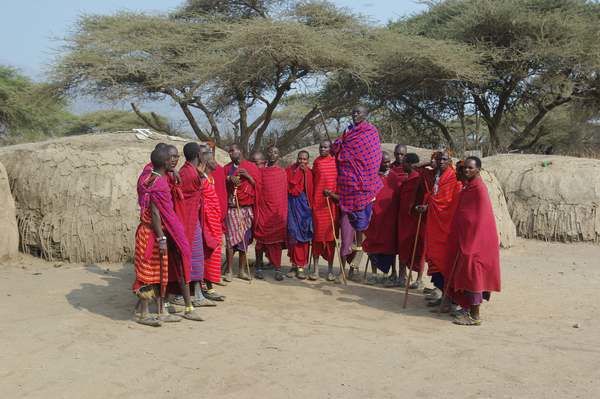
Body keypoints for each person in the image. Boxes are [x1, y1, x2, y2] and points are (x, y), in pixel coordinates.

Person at [133, 147, 203, 326]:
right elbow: (156, 213)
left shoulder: (147, 178)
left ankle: (160, 312)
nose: (175, 161)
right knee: (148, 275)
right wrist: (161, 238)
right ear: (165, 162)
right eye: (171, 159)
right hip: (153, 234)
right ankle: (143, 314)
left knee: (158, 274)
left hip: (147, 232)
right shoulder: (160, 184)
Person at [444, 157, 501, 326]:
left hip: (478, 241)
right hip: (468, 237)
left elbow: (481, 219)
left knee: (473, 272)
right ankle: (468, 307)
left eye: (470, 168)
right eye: (465, 168)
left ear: (478, 170)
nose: (467, 170)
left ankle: (475, 316)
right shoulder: (469, 187)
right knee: (467, 272)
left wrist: (472, 242)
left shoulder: (479, 189)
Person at [330, 105, 382, 279]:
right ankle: (343, 271)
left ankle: (357, 262)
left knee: (362, 229)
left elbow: (373, 159)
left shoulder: (370, 132)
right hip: (347, 189)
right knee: (345, 236)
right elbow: (338, 150)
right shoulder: (347, 131)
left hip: (364, 189)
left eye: (358, 112)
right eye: (353, 111)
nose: (354, 114)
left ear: (366, 115)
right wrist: (337, 145)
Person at [173, 143, 218, 307]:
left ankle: (198, 294)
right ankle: (181, 295)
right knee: (189, 258)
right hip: (187, 222)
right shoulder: (189, 174)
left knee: (196, 258)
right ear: (198, 155)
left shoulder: (190, 171)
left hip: (193, 221)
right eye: (203, 153)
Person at [416, 150, 462, 309]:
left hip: (446, 227)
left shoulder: (454, 177)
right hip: (434, 224)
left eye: (444, 159)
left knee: (445, 260)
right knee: (435, 257)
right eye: (438, 159)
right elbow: (434, 198)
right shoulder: (436, 176)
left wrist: (433, 205)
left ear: (450, 161)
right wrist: (427, 206)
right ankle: (443, 295)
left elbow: (451, 202)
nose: (441, 161)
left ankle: (449, 299)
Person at [223, 144, 261, 281]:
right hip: (232, 209)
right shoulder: (227, 168)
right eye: (229, 151)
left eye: (233, 150)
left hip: (246, 209)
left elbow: (259, 186)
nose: (231, 153)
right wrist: (229, 178)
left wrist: (248, 176)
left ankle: (241, 270)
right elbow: (219, 183)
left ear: (241, 151)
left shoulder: (251, 167)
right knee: (230, 241)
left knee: (244, 240)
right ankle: (228, 271)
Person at [363, 151, 400, 285]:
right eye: (384, 162)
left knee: (390, 245)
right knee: (373, 244)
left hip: (390, 217)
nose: (387, 165)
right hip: (374, 216)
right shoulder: (372, 177)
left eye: (388, 162)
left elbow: (398, 196)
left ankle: (390, 274)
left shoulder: (394, 177)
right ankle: (374, 274)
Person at [254, 145, 288, 281]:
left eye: (276, 152)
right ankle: (258, 267)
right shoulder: (261, 171)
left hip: (277, 212)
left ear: (279, 155)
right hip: (263, 210)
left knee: (276, 243)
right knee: (260, 241)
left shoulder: (282, 173)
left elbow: (284, 194)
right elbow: (257, 188)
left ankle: (278, 268)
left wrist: (282, 211)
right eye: (271, 152)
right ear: (267, 155)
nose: (273, 154)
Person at [396, 153, 426, 290]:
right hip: (403, 221)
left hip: (415, 220)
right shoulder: (407, 178)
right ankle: (402, 276)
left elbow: (423, 197)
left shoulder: (419, 178)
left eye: (404, 162)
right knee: (402, 247)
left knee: (418, 248)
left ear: (409, 164)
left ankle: (419, 279)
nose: (402, 165)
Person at [200, 152, 226, 302]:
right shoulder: (202, 179)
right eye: (212, 159)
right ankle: (206, 286)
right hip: (206, 222)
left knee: (214, 252)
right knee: (207, 254)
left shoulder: (210, 178)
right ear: (205, 162)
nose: (215, 162)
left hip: (214, 221)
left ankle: (209, 284)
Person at [311, 140, 338, 282]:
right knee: (317, 238)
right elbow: (312, 182)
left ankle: (330, 270)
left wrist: (333, 195)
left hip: (331, 206)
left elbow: (337, 182)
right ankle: (315, 270)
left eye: (325, 147)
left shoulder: (335, 162)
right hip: (318, 205)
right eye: (321, 146)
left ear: (330, 149)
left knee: (330, 238)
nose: (322, 149)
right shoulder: (317, 163)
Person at [286, 150, 314, 280]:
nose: (302, 161)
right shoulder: (290, 170)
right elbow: (287, 185)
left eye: (304, 159)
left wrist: (303, 173)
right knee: (292, 234)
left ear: (308, 161)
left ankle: (301, 266)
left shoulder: (309, 173)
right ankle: (293, 265)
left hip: (304, 207)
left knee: (303, 235)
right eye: (300, 158)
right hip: (292, 205)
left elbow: (310, 191)